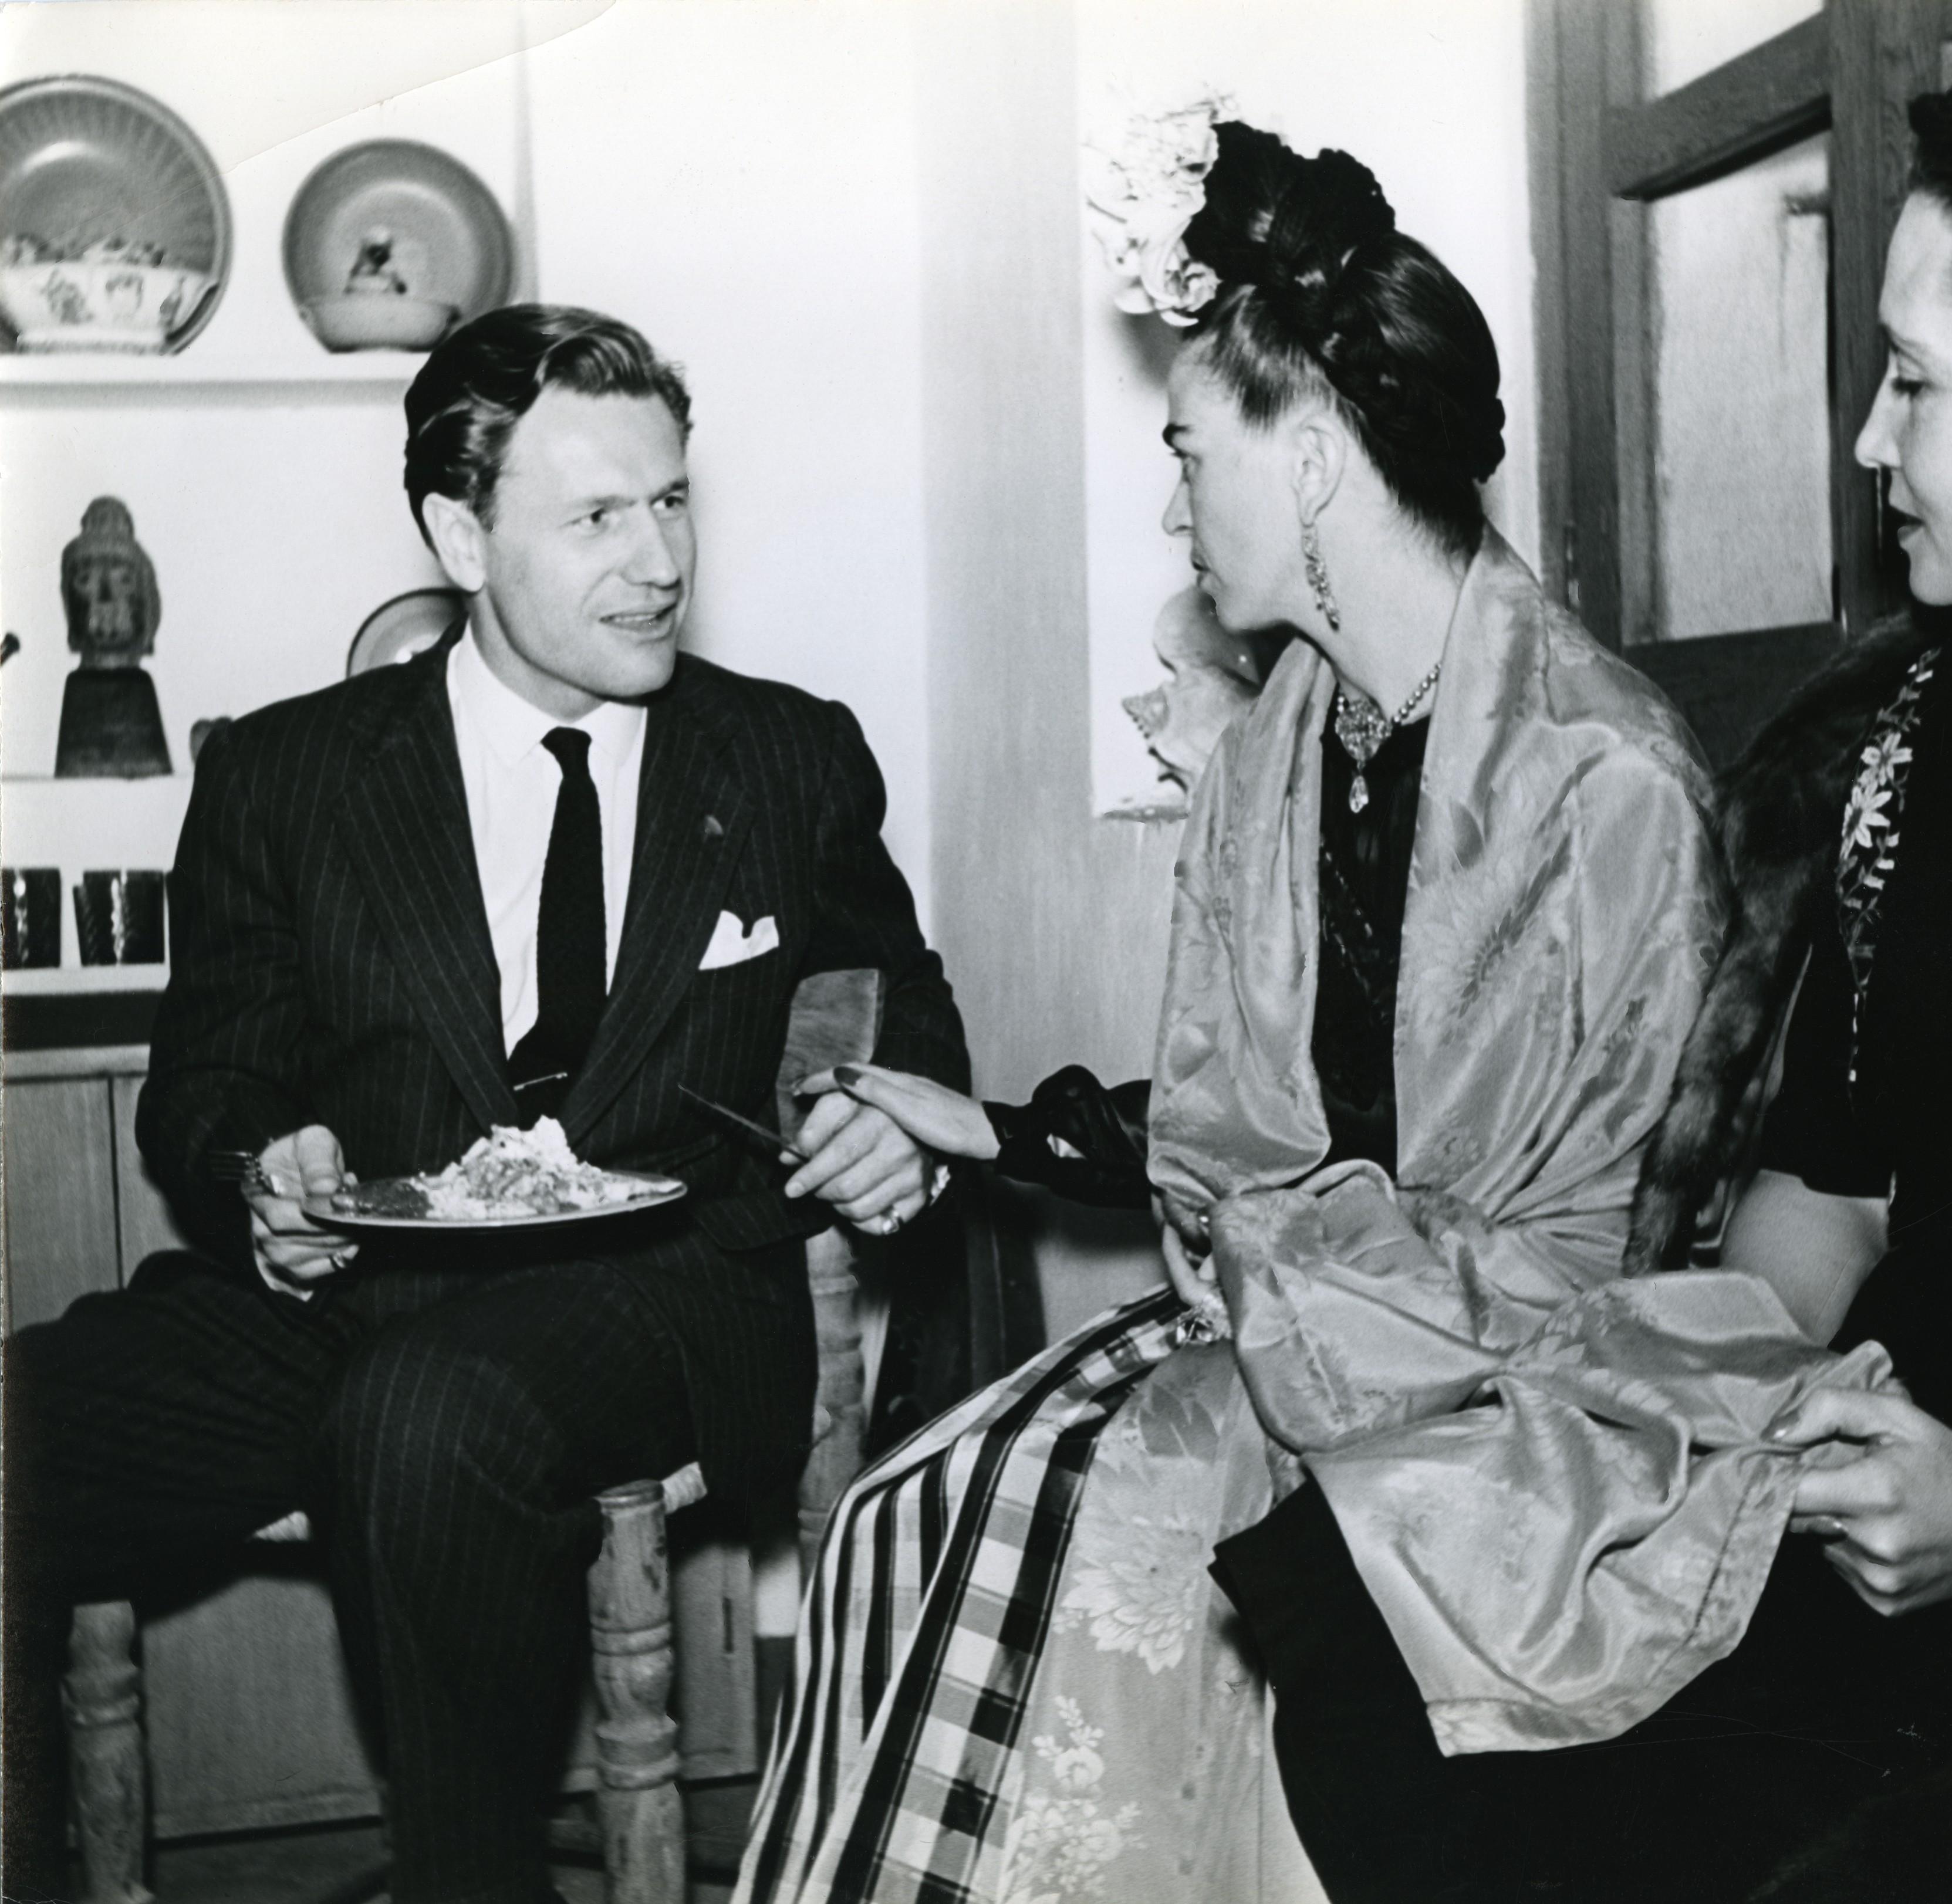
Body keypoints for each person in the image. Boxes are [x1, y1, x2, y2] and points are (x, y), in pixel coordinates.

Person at [1206, 7, 1952, 1900]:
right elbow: (1825, 1191)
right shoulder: (1926, 738)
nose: (1864, 438)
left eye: (1912, 379)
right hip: (1888, 1548)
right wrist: (1653, 1414)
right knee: (1376, 1643)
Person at [731, 121, 1784, 1904]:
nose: (1168, 504)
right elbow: (1263, 1112)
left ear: (1308, 457)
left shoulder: (1598, 772)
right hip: (1331, 1317)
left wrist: (1274, 1281)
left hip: (1531, 1387)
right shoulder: (1284, 748)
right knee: (920, 1498)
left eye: (1185, 452)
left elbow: (1583, 1241)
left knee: (1064, 1503)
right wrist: (979, 1127)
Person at [2, 305, 967, 1904]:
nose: (657, 559)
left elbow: (893, 1006)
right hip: (347, 1285)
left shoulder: (787, 756)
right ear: (461, 532)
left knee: (426, 1416)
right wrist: (267, 1169)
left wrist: (882, 1114)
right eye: (595, 517)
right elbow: (208, 1085)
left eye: (671, 502)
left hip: (661, 1296)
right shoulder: (284, 775)